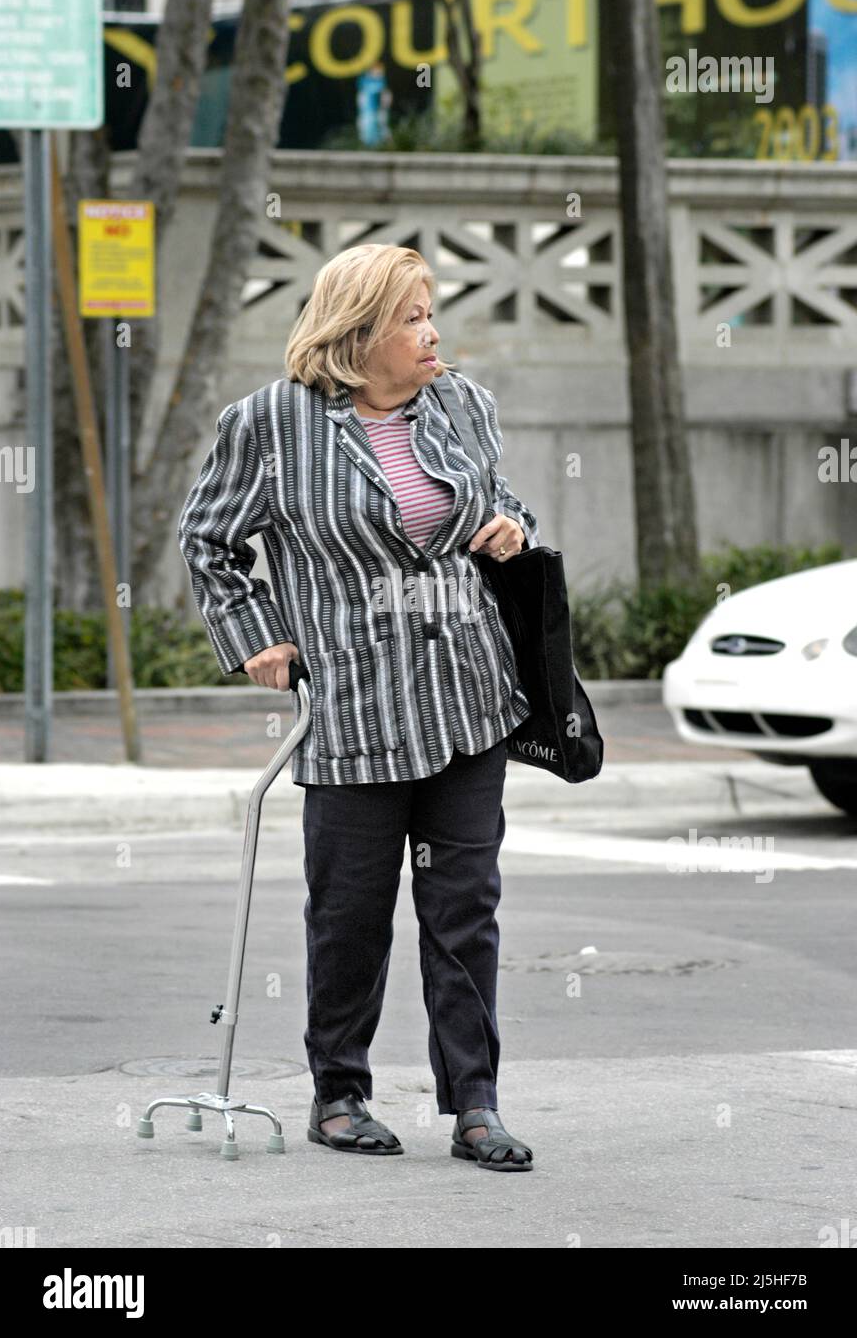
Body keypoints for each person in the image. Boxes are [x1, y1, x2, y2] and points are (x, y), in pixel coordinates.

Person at [178, 243, 540, 1172]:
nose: (433, 333)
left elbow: (498, 504)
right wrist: (256, 636)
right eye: (414, 316)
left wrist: (511, 529)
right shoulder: (271, 424)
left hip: (466, 694)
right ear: (360, 331)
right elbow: (209, 541)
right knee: (349, 912)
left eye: (432, 312)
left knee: (465, 911)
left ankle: (475, 1106)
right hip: (351, 705)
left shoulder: (465, 404)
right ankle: (338, 1092)